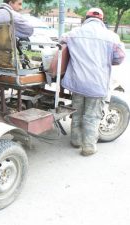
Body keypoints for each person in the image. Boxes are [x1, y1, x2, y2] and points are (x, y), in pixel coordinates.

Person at [60, 8, 126, 156]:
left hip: (77, 83)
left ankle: (75, 140)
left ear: (86, 18)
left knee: (77, 112)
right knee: (92, 116)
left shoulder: (74, 33)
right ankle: (88, 147)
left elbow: (61, 41)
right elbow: (119, 58)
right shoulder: (112, 36)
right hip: (97, 84)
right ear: (102, 20)